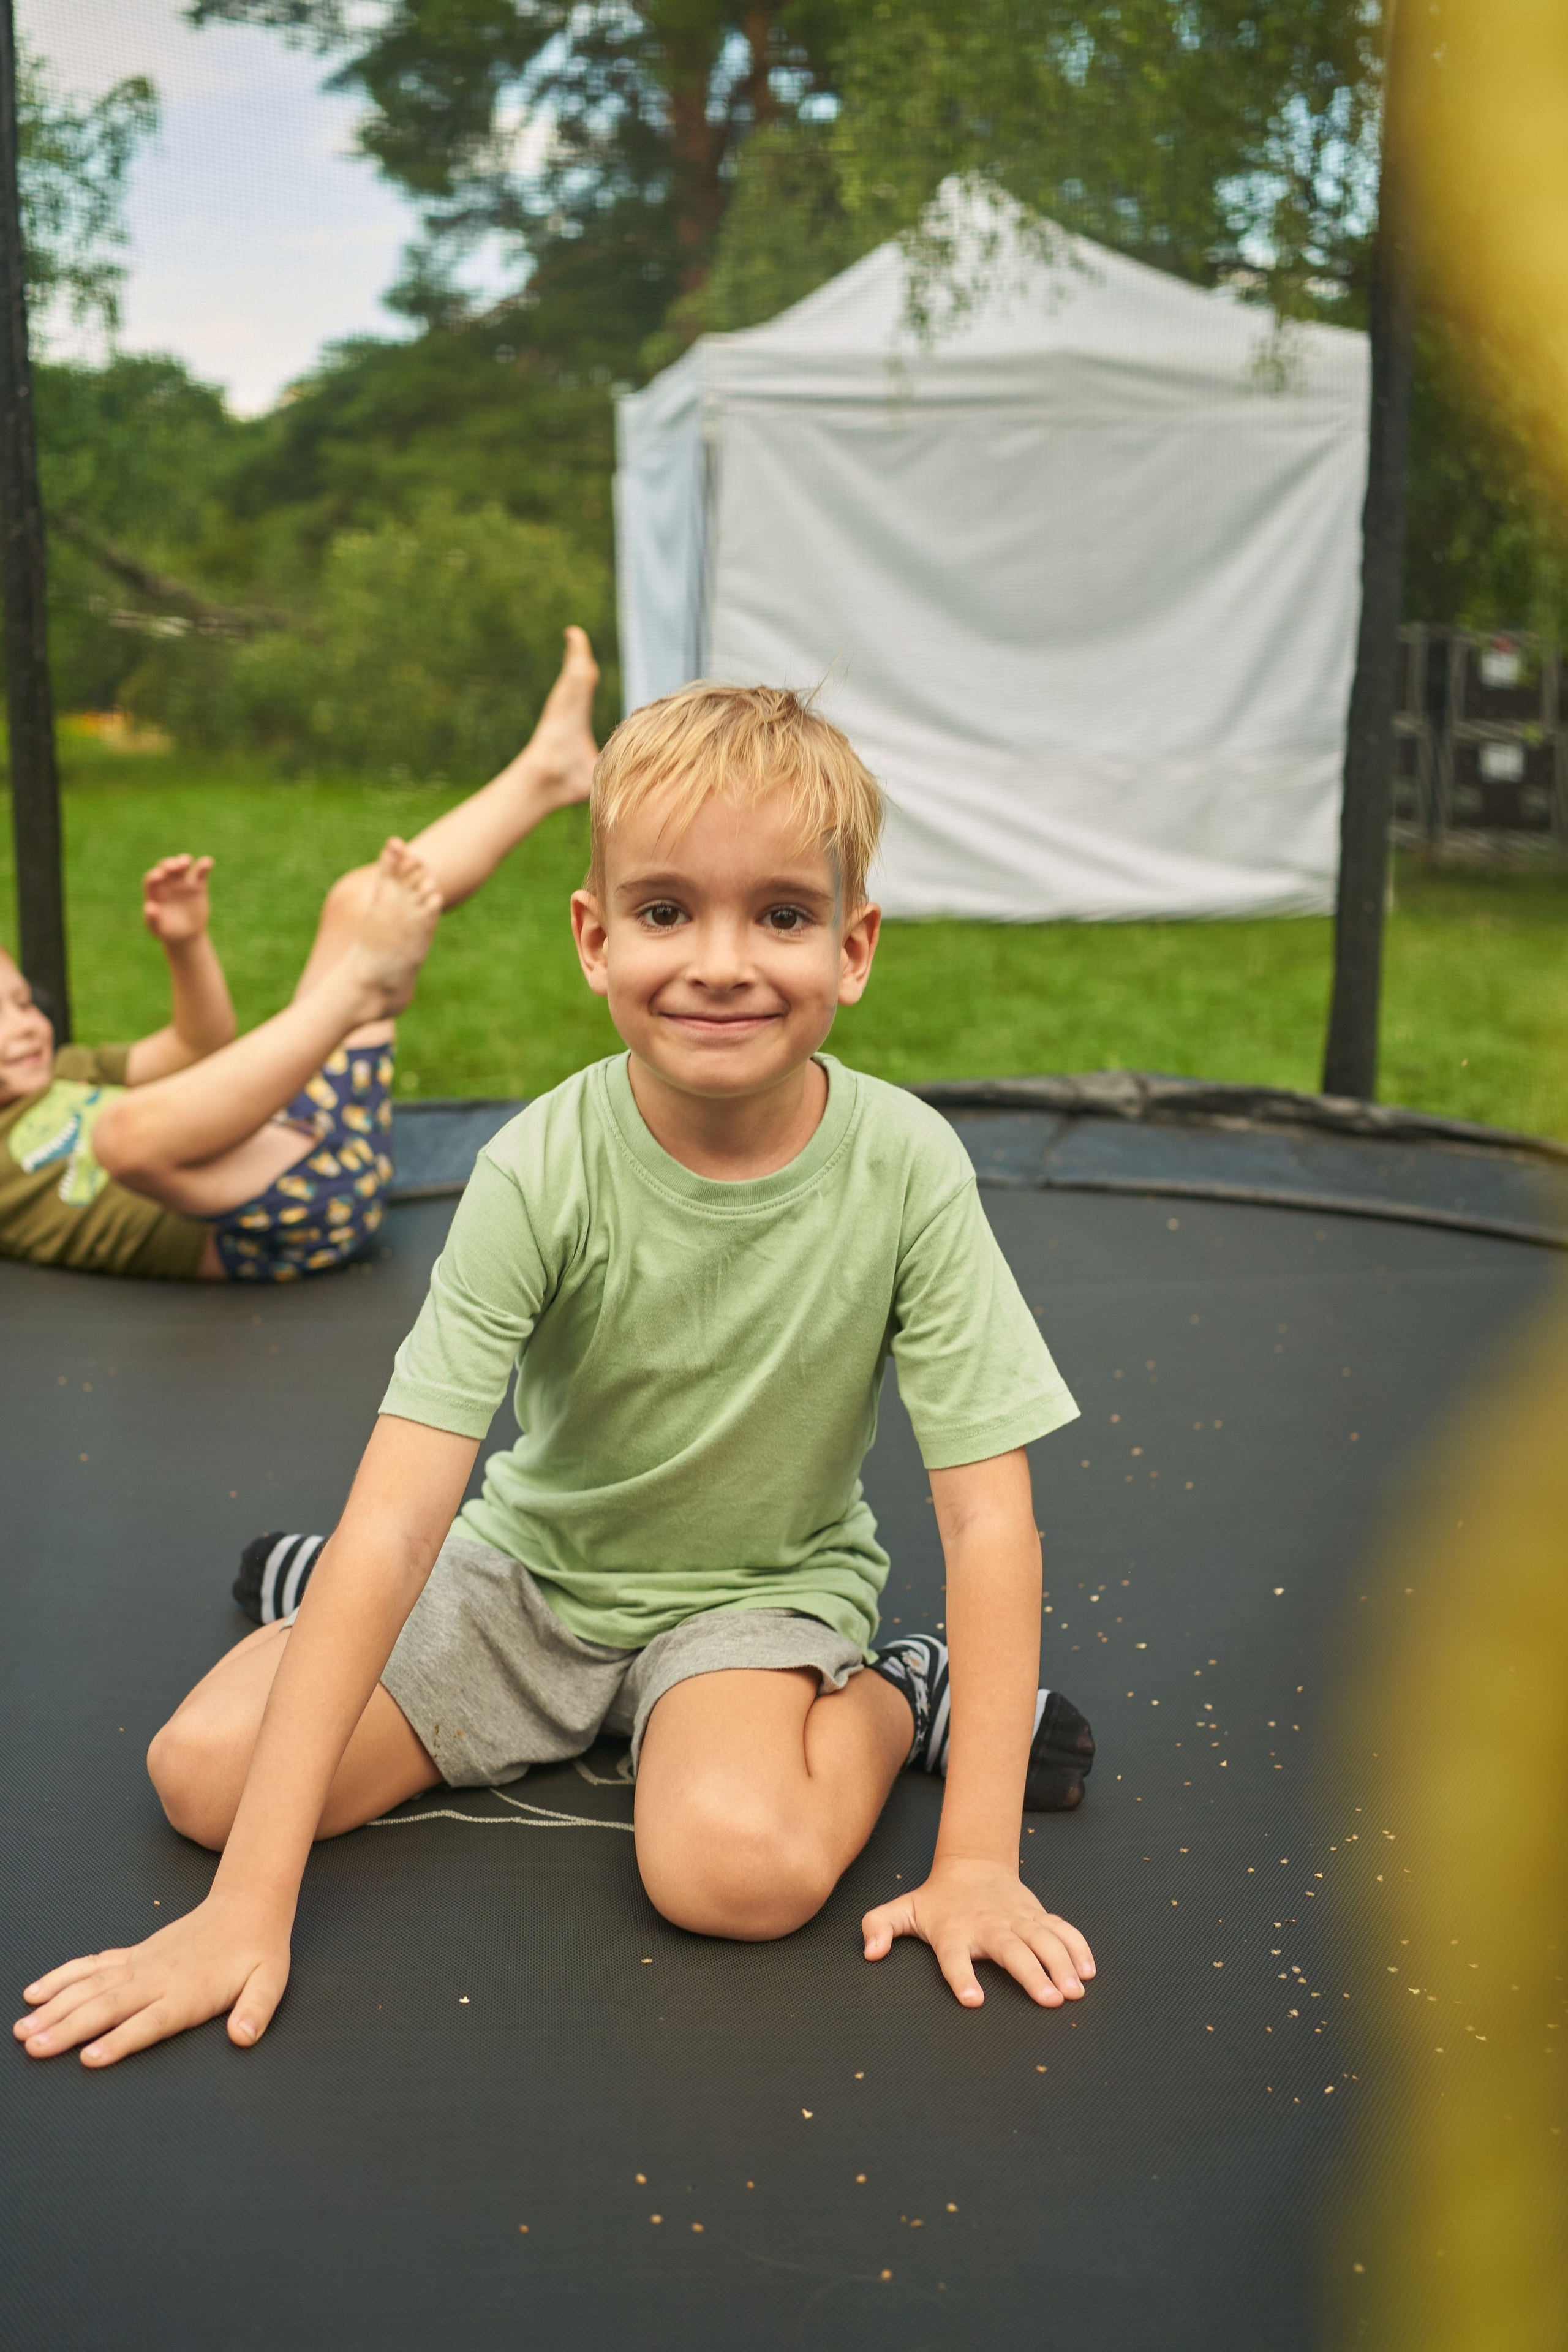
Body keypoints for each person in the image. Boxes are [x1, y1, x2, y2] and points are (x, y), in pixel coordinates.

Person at [15, 679, 1097, 2070]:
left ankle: (898, 1689)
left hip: (752, 1591)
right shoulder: (538, 1164)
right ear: (593, 939)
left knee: (737, 1873)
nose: (719, 960)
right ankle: (322, 1595)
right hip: (527, 1570)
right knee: (203, 1775)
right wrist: (245, 1908)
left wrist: (978, 1860)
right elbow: (405, 1512)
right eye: (664, 911)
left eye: (778, 913)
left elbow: (984, 1516)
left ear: (853, 946)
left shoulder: (905, 1169)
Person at [0, 627, 600, 1283]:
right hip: (288, 1221)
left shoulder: (71, 1069)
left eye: (21, 1002)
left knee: (358, 901)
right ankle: (362, 987)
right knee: (119, 1137)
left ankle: (548, 771)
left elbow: (200, 1043)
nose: (19, 1030)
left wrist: (185, 945)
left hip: (318, 1129)